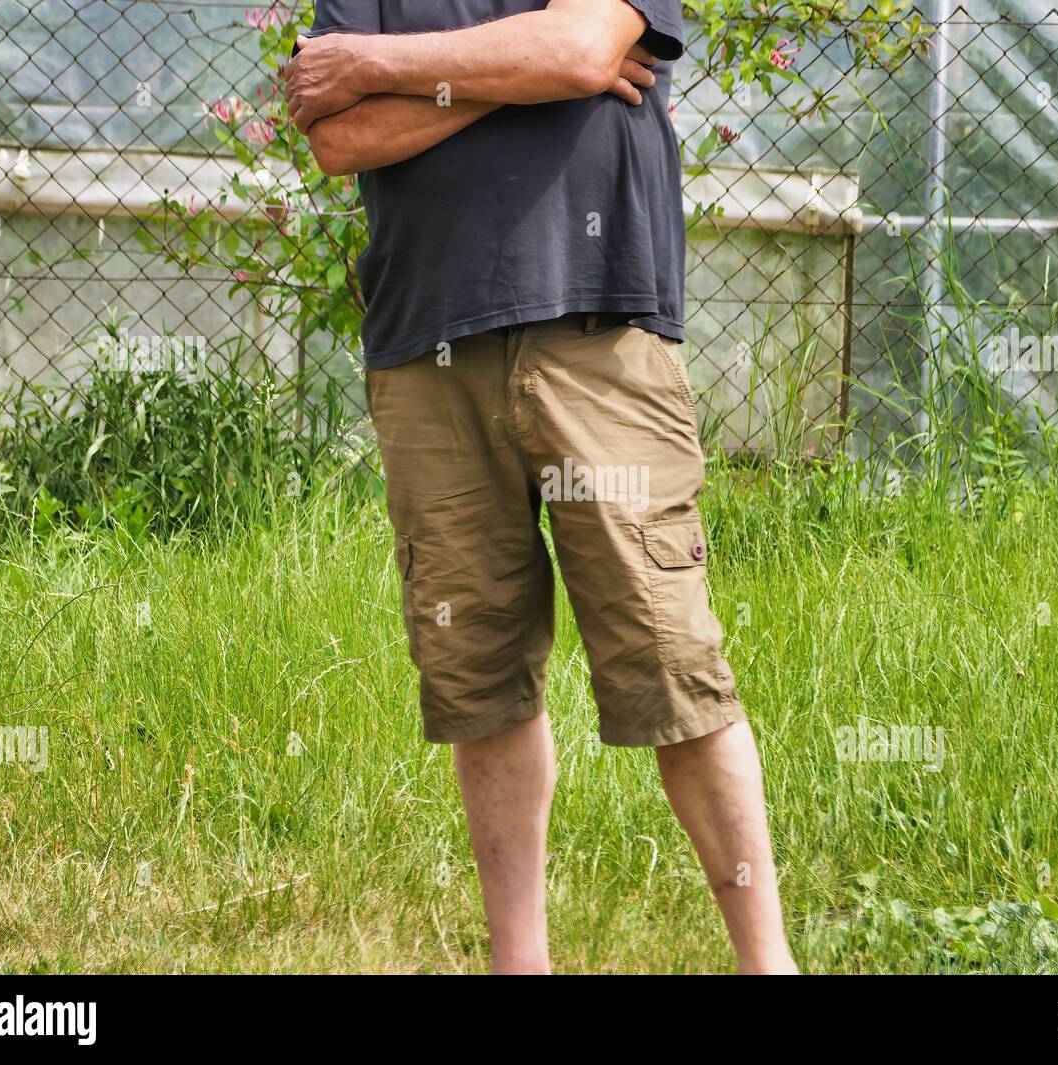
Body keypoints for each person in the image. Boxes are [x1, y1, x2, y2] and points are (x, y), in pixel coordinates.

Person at [287, 0, 796, 975]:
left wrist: (387, 65)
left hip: (598, 328)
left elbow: (577, 47)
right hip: (424, 345)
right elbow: (344, 138)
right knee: (477, 679)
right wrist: (526, 75)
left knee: (669, 662)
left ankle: (765, 966)